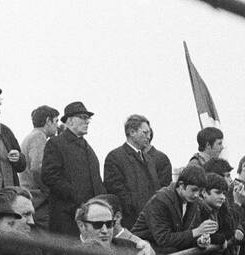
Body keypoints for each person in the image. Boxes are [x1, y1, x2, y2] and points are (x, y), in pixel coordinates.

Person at [42, 101, 104, 241]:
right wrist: (75, 196)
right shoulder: (55, 143)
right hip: (66, 217)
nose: (87, 121)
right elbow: (49, 176)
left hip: (89, 217)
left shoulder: (88, 148)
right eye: (82, 117)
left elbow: (96, 180)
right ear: (69, 121)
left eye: (88, 118)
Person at [103, 114, 161, 228]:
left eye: (149, 133)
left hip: (152, 221)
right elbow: (116, 191)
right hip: (132, 223)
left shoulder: (149, 159)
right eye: (145, 133)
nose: (149, 137)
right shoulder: (115, 157)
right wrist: (136, 210)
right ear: (132, 132)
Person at [18, 105, 59, 228]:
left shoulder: (31, 136)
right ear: (48, 121)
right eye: (56, 121)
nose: (57, 126)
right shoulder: (39, 137)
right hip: (36, 196)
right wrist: (48, 191)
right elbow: (37, 168)